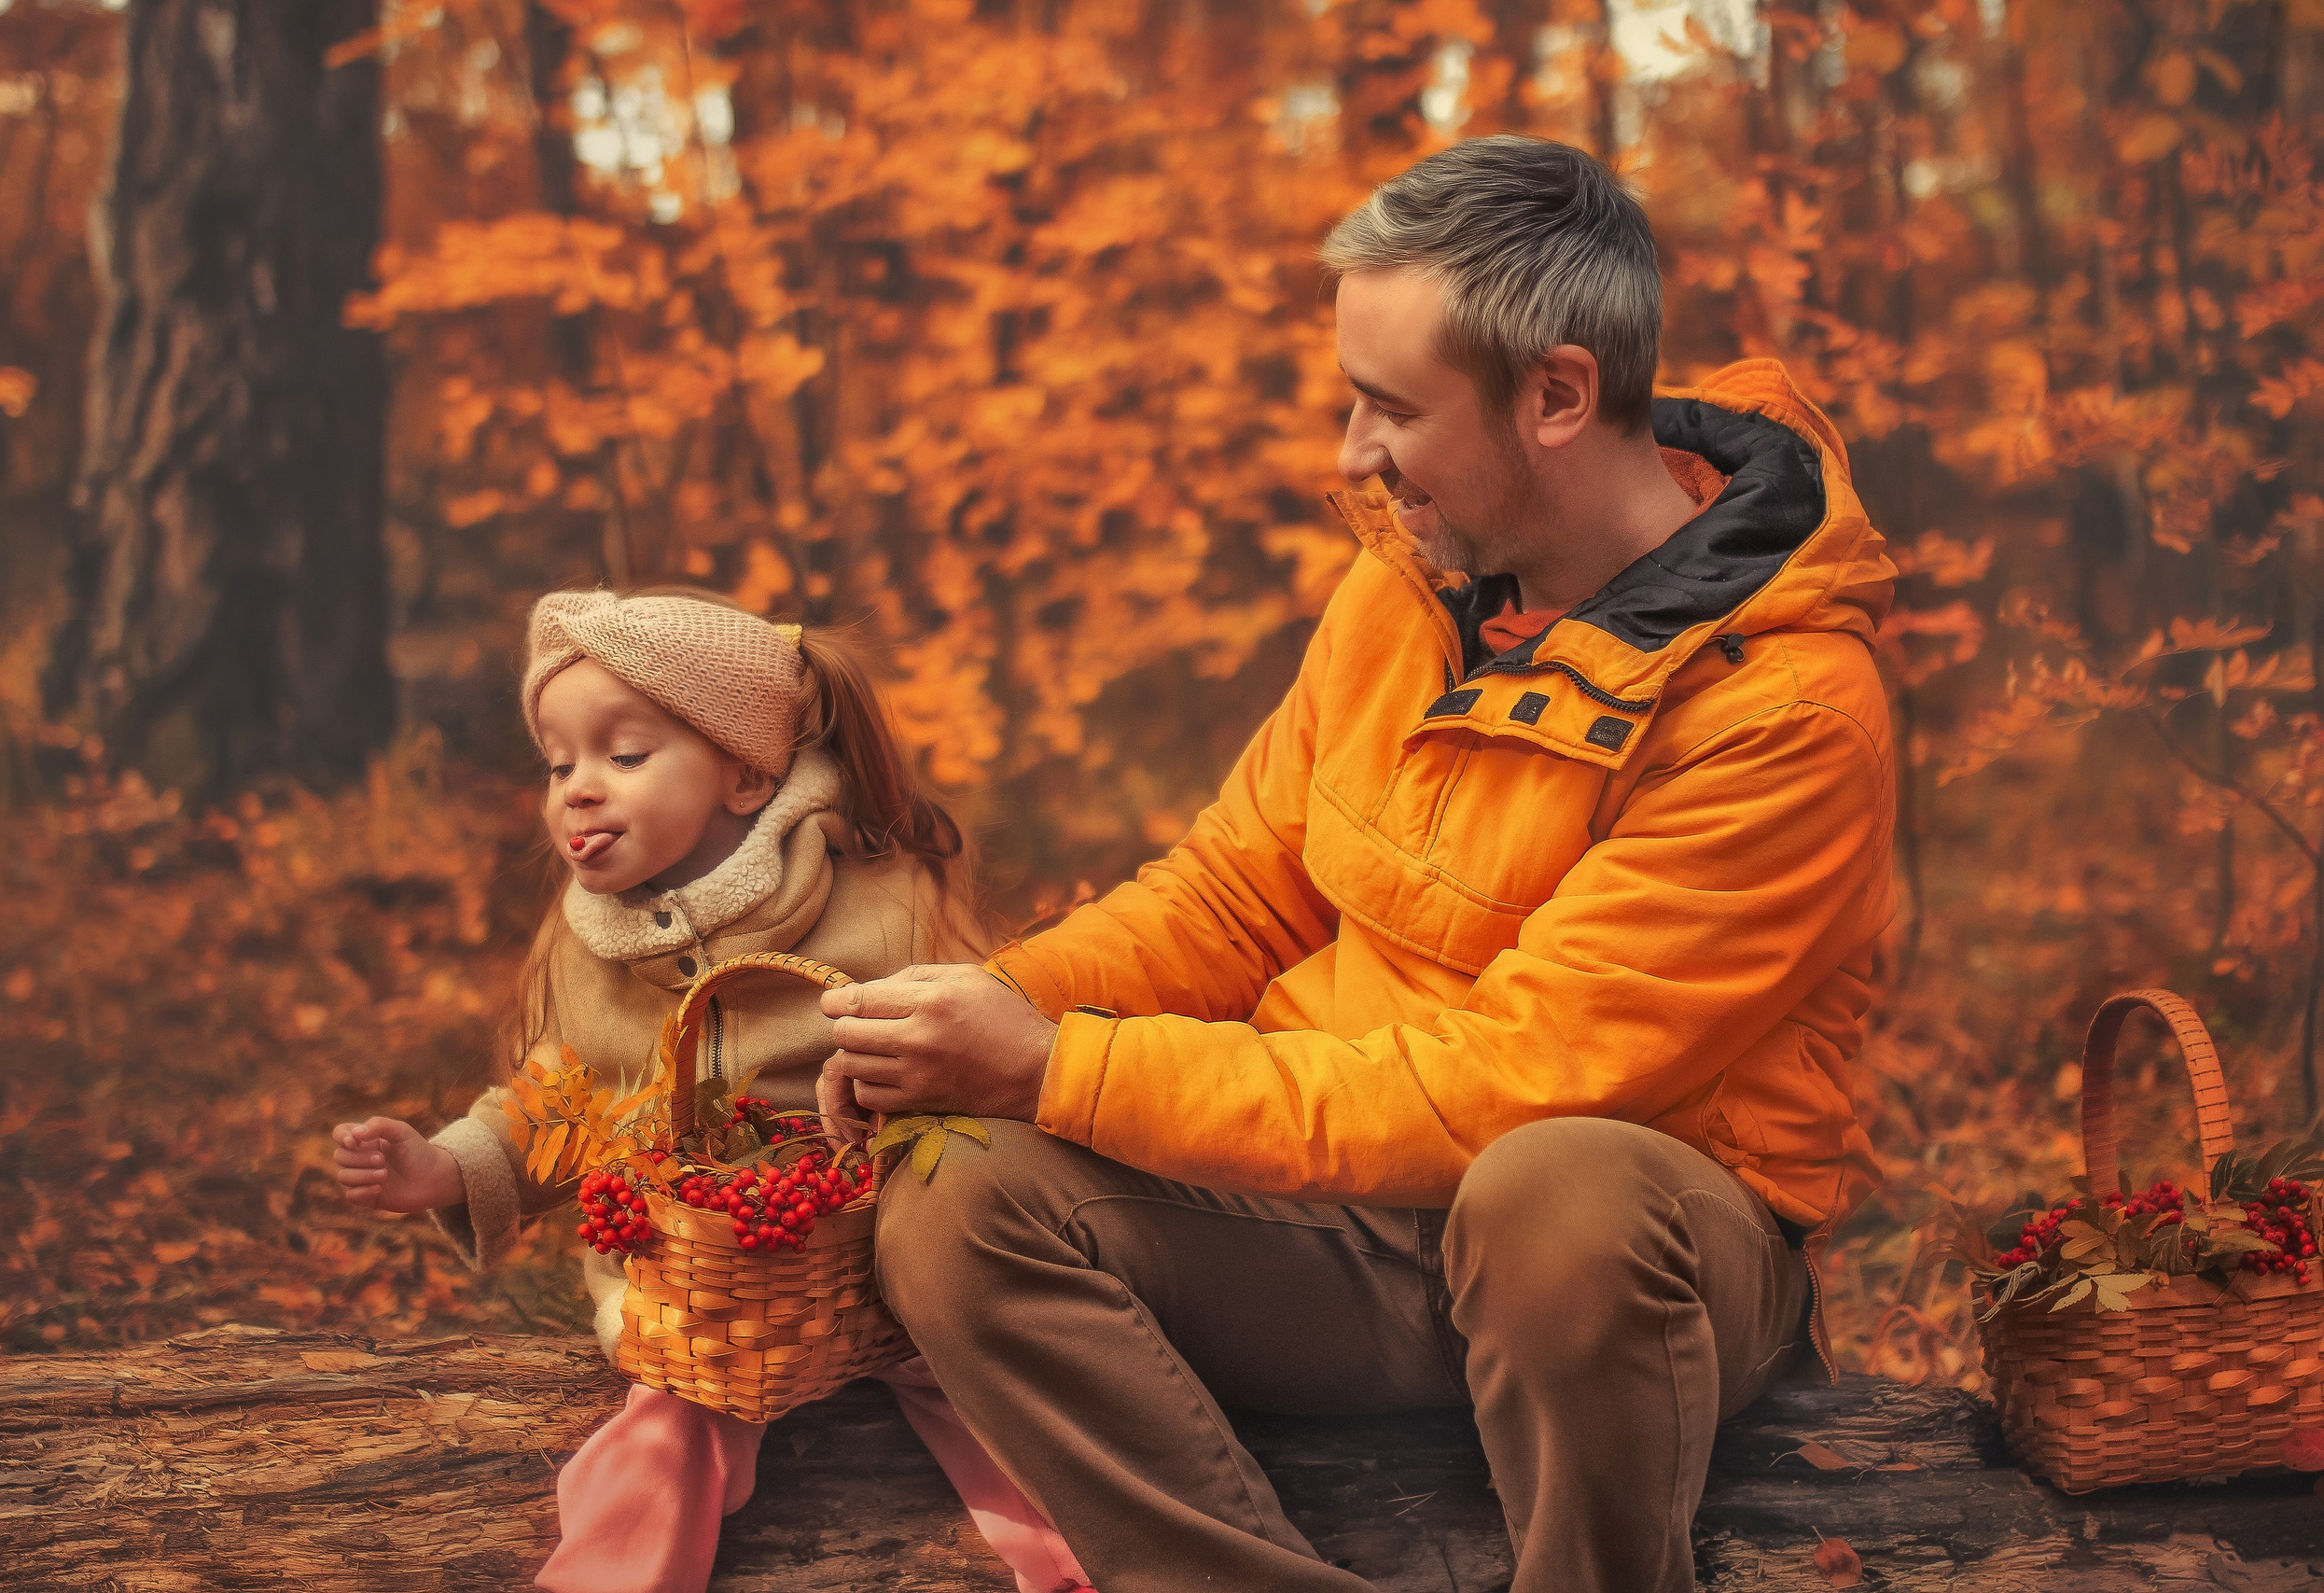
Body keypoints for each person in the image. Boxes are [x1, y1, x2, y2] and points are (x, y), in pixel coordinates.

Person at [814, 134, 1897, 1593]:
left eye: (1391, 406)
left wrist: (1059, 1065)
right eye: (1350, 396)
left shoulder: (1789, 709)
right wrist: (974, 1013)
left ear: (1560, 394)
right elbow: (1234, 892)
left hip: (1641, 1247)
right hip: (1349, 1217)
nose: (1350, 454)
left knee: (1549, 1189)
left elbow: (1509, 1081)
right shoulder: (1405, 589)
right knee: (956, 1186)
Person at [328, 588, 1091, 1593]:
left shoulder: (884, 901)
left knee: (1006, 1390)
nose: (578, 790)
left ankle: (1082, 1566)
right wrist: (443, 1165)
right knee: (664, 1438)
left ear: (743, 773)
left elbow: (977, 1054)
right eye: (560, 765)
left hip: (883, 1262)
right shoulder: (588, 944)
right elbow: (558, 1100)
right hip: (704, 1299)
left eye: (623, 756)